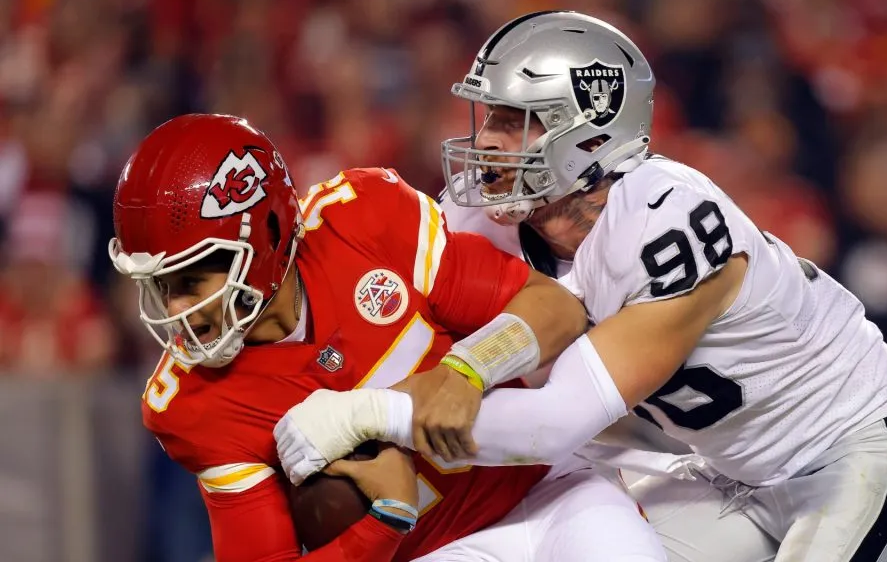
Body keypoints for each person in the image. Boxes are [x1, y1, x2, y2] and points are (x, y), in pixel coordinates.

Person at [277, 11, 887, 562]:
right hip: (725, 472)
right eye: (490, 117)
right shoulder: (483, 219)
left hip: (856, 449)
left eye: (516, 121)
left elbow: (554, 424)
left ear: (589, 130)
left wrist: (368, 415)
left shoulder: (667, 220)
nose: (488, 140)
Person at [110, 113, 665, 562]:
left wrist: (466, 369)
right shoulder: (193, 403)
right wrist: (384, 522)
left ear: (269, 234)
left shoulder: (362, 221)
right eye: (161, 287)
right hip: (433, 550)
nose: (178, 309)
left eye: (192, 278)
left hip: (551, 486)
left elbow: (557, 307)